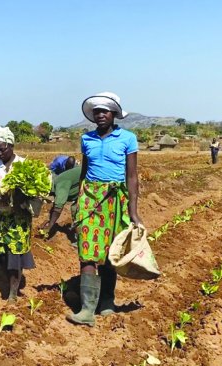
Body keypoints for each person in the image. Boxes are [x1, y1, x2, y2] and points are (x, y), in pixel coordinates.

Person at [69, 92, 141, 327]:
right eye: (96, 112)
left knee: (111, 253)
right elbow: (84, 171)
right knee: (87, 251)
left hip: (115, 199)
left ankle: (107, 301)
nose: (100, 115)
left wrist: (133, 210)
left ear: (114, 115)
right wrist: (78, 199)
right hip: (90, 197)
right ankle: (87, 309)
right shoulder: (86, 139)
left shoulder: (128, 138)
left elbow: (131, 176)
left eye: (105, 111)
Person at [0, 125, 35, 304]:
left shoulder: (23, 165)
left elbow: (32, 192)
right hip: (0, 216)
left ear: (11, 145)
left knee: (15, 254)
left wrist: (16, 195)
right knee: (4, 253)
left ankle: (13, 292)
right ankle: (5, 283)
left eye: (3, 149)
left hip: (18, 217)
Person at [39, 165, 81, 242]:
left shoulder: (60, 184)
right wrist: (48, 221)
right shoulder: (57, 183)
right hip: (83, 187)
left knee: (76, 209)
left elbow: (58, 207)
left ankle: (81, 239)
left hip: (94, 185)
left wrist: (49, 228)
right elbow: (56, 205)